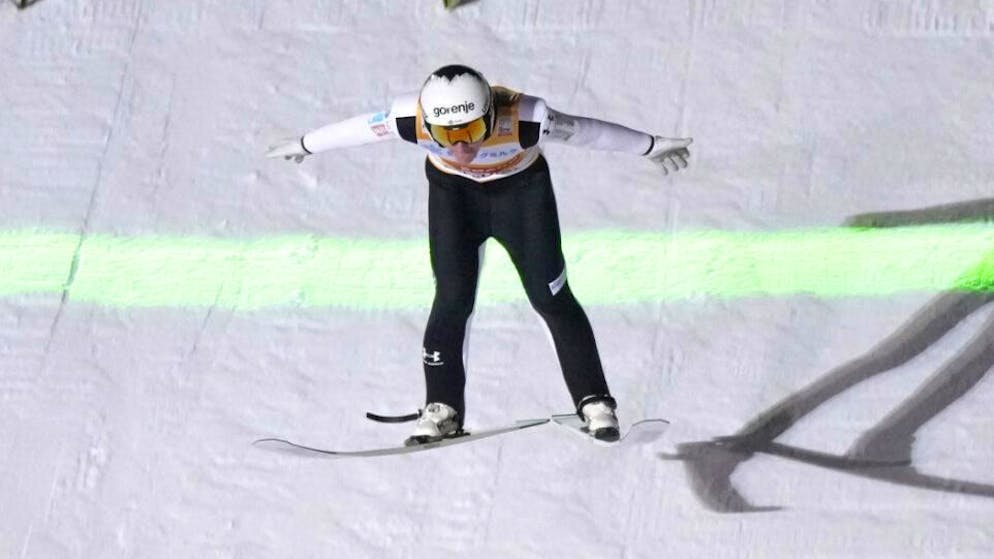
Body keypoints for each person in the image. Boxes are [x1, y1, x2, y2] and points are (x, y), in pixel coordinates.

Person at [266, 64, 692, 445]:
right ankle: (442, 407)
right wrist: (307, 143)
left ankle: (595, 400)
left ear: (490, 115)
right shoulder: (407, 118)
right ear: (428, 124)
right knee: (451, 300)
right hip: (455, 199)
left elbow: (586, 131)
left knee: (550, 297)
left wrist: (650, 145)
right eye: (446, 136)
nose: (461, 148)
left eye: (469, 132)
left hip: (521, 196)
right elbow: (359, 129)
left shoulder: (527, 118)